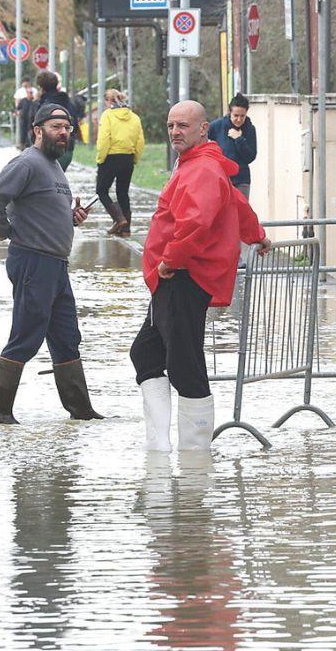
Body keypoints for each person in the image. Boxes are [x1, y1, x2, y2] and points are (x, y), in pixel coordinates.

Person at [131, 100, 270, 453]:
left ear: (203, 129)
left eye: (183, 126)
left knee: (183, 363)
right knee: (146, 353)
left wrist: (169, 262)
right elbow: (237, 206)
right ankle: (159, 446)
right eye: (171, 125)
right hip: (175, 277)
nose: (175, 132)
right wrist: (257, 236)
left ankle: (193, 452)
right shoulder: (198, 164)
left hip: (182, 276)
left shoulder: (203, 169)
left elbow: (196, 223)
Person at [0, 104, 103, 424]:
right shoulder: (28, 163)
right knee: (26, 336)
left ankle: (81, 410)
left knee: (66, 337)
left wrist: (71, 218)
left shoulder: (54, 166)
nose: (63, 133)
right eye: (56, 127)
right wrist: (5, 231)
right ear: (37, 130)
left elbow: (43, 210)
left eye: (68, 128)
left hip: (56, 264)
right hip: (34, 261)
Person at [95, 89, 145, 236]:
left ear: (108, 101)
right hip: (128, 158)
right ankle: (126, 228)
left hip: (110, 157)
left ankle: (118, 219)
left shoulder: (107, 116)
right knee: (123, 192)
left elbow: (104, 139)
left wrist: (100, 158)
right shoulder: (135, 117)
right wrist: (135, 157)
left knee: (101, 190)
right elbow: (140, 141)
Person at [207, 94, 257, 200]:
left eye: (242, 116)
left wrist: (239, 139)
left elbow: (250, 157)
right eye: (236, 115)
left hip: (241, 180)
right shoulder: (217, 126)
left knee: (240, 213)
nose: (239, 119)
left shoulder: (250, 129)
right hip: (220, 178)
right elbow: (201, 138)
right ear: (230, 112)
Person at [35, 71, 78, 171]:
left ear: (41, 88)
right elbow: (75, 124)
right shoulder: (67, 101)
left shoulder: (44, 105)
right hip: (67, 147)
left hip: (47, 149)